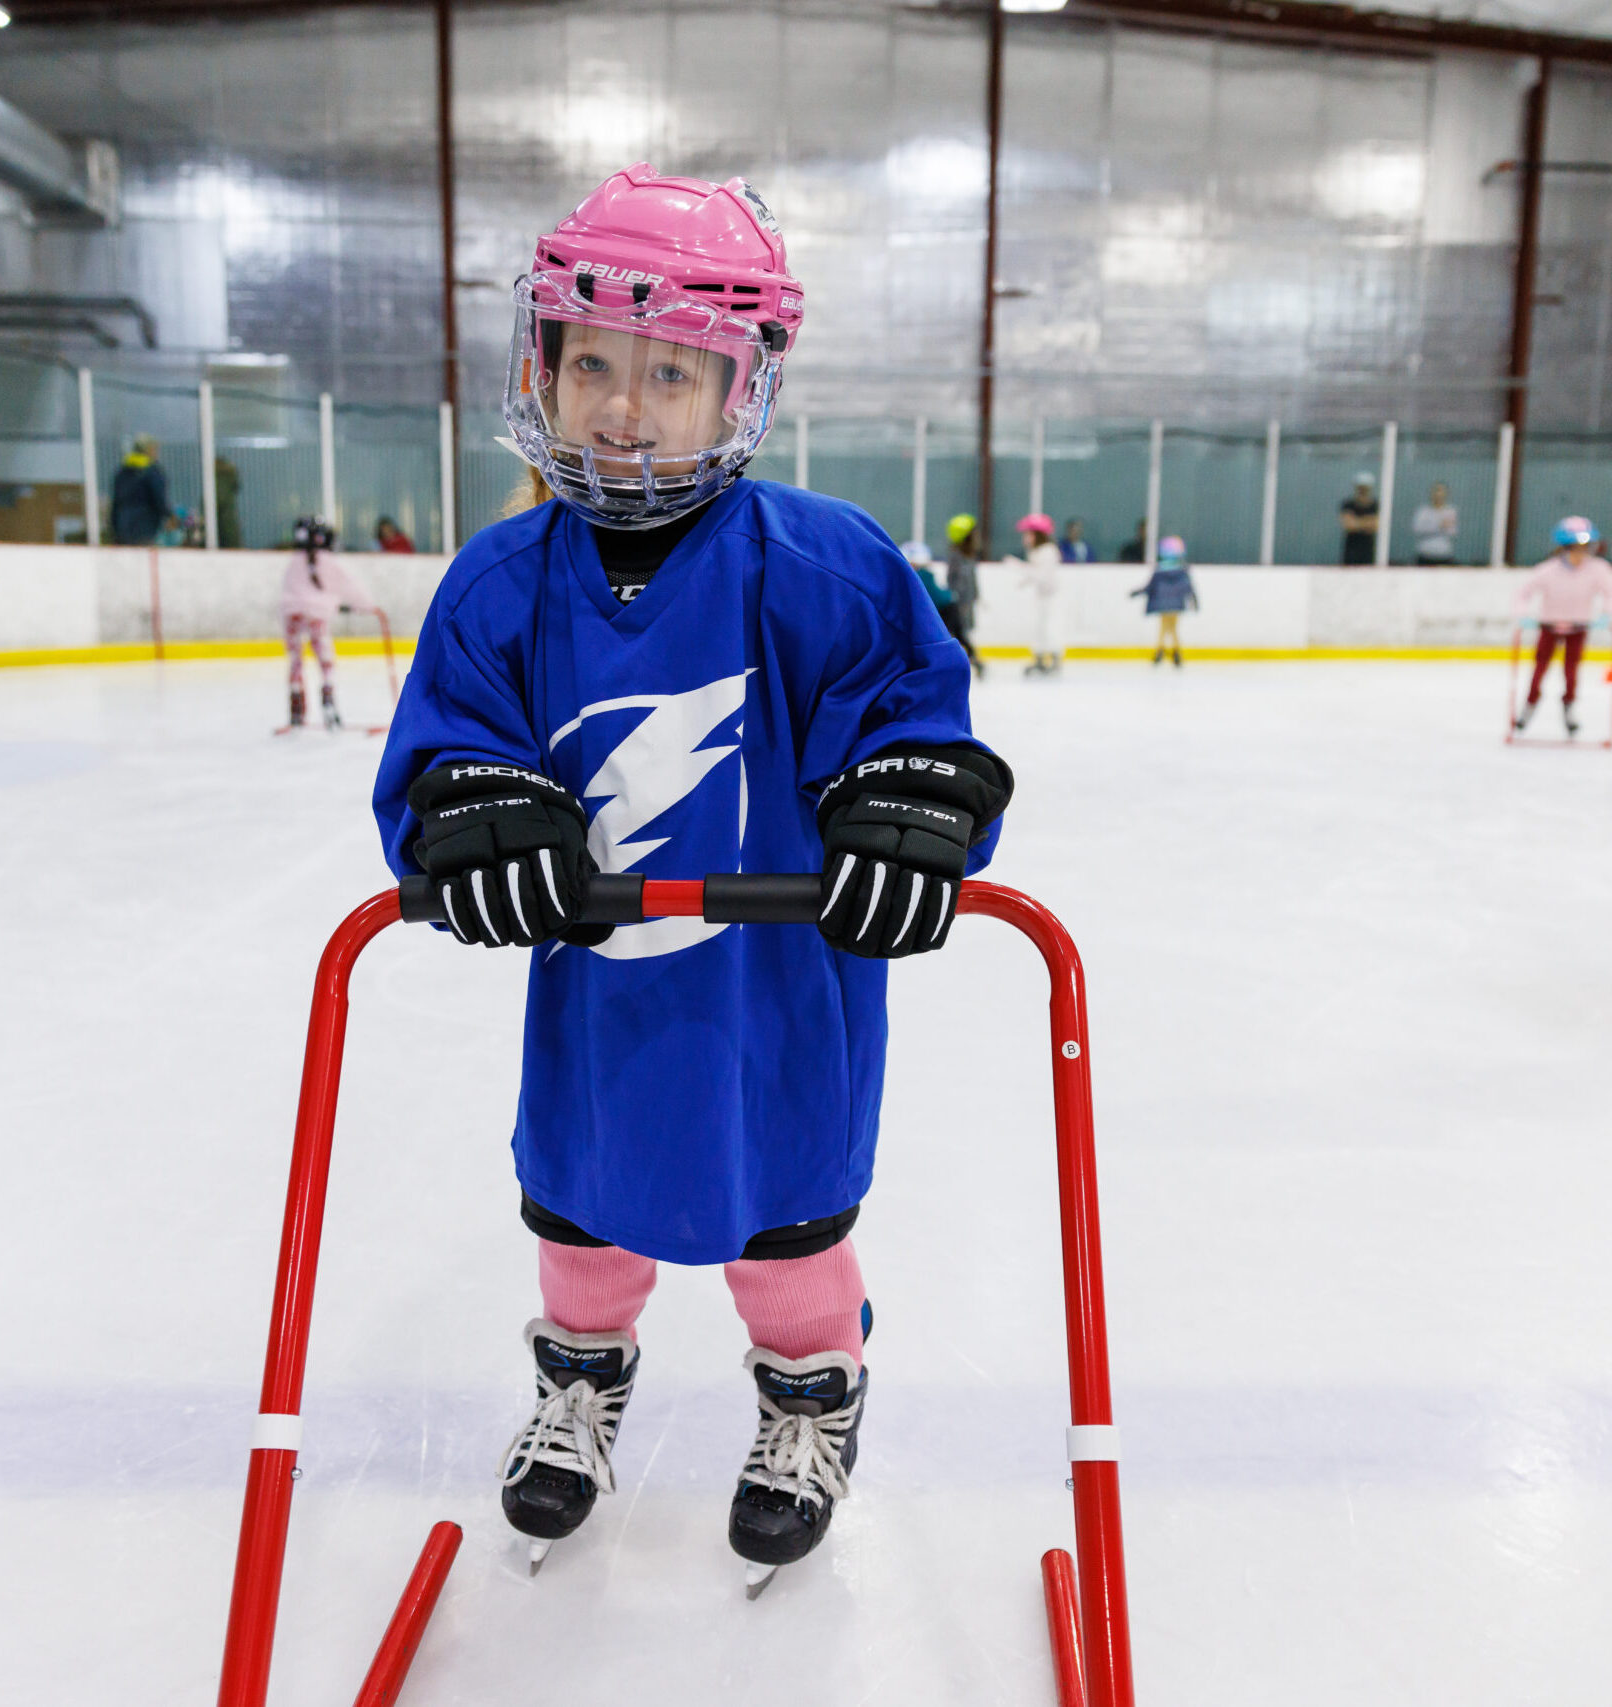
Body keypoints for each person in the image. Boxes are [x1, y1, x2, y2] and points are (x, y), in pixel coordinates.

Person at [369, 164, 1011, 1592]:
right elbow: (442, 748)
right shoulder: (498, 581)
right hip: (600, 1006)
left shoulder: (825, 568)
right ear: (543, 360)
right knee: (581, 1209)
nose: (620, 403)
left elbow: (911, 716)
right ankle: (582, 1377)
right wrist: (471, 804)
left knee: (785, 1224)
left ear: (743, 388)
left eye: (673, 372)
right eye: (591, 359)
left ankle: (808, 1397)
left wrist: (909, 794)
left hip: (779, 1002)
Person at [1510, 516, 1612, 738]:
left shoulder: (1597, 569)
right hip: (1549, 627)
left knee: (1571, 672)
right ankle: (1528, 708)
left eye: (1585, 548)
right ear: (1564, 548)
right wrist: (1523, 615)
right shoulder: (1548, 570)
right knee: (1539, 670)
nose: (1581, 554)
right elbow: (1523, 593)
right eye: (1576, 548)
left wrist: (1606, 614)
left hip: (1578, 628)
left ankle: (1569, 709)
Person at [278, 515, 373, 731]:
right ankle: (328, 703)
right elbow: (349, 586)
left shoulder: (294, 560)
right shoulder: (327, 561)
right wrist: (367, 606)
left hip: (291, 615)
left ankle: (296, 707)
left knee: (295, 661)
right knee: (325, 661)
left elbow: (291, 593)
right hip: (316, 616)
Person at [1133, 534, 1197, 667]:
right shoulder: (1182, 570)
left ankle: (1162, 651)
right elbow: (1188, 587)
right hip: (1176, 602)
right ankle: (1174, 652)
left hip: (1162, 602)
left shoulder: (1161, 569)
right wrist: (1194, 600)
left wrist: (1137, 592)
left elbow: (1150, 587)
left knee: (1165, 626)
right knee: (1172, 627)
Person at [1013, 510, 1064, 676]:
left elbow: (1043, 576)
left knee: (1050, 628)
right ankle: (1040, 658)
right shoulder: (1036, 552)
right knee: (1039, 627)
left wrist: (1021, 568)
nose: (1025, 538)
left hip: (1052, 597)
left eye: (1028, 534)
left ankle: (1054, 659)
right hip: (1042, 596)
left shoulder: (1048, 551)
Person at [937, 513, 985, 677]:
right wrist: (957, 599)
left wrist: (976, 595)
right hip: (959, 602)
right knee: (960, 633)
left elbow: (972, 579)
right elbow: (953, 580)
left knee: (962, 633)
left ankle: (970, 658)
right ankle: (968, 659)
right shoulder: (956, 556)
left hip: (967, 601)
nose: (977, 536)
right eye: (974, 532)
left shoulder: (969, 556)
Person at [109, 435, 170, 546]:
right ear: (149, 450)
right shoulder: (152, 472)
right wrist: (168, 516)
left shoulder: (122, 472)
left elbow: (116, 503)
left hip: (122, 528)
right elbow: (159, 499)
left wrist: (114, 528)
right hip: (145, 529)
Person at [1412, 481, 1460, 566]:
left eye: (1441, 491)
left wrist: (1433, 527)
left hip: (1444, 555)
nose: (1438, 495)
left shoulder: (1451, 511)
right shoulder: (1423, 511)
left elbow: (1452, 532)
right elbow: (1417, 529)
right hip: (1425, 555)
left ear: (1446, 494)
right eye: (1436, 491)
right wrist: (1439, 526)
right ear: (1432, 493)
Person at [1339, 473, 1379, 566]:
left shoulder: (1376, 505)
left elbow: (1376, 525)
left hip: (1368, 551)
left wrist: (1356, 522)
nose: (1363, 490)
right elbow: (1348, 525)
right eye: (1361, 487)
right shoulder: (1348, 505)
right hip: (1351, 551)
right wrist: (1367, 522)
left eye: (1365, 488)